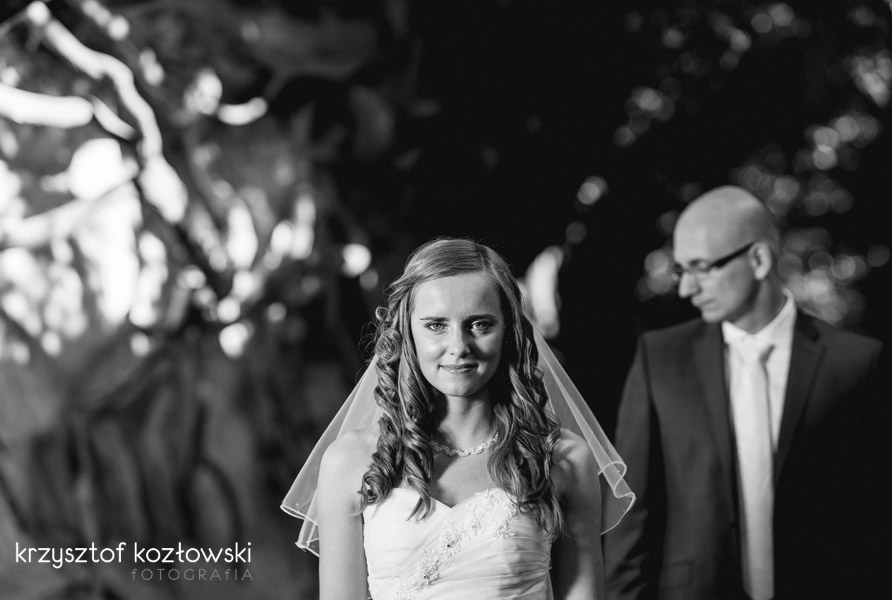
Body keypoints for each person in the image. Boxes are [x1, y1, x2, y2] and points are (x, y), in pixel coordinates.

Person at [282, 237, 634, 600]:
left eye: (480, 324)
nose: (458, 347)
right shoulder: (350, 460)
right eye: (436, 325)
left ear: (509, 331)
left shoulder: (564, 459)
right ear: (408, 333)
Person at [604, 186, 891, 600]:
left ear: (758, 260)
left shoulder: (857, 364)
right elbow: (633, 515)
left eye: (702, 267)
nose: (686, 289)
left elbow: (875, 518)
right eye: (683, 271)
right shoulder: (661, 358)